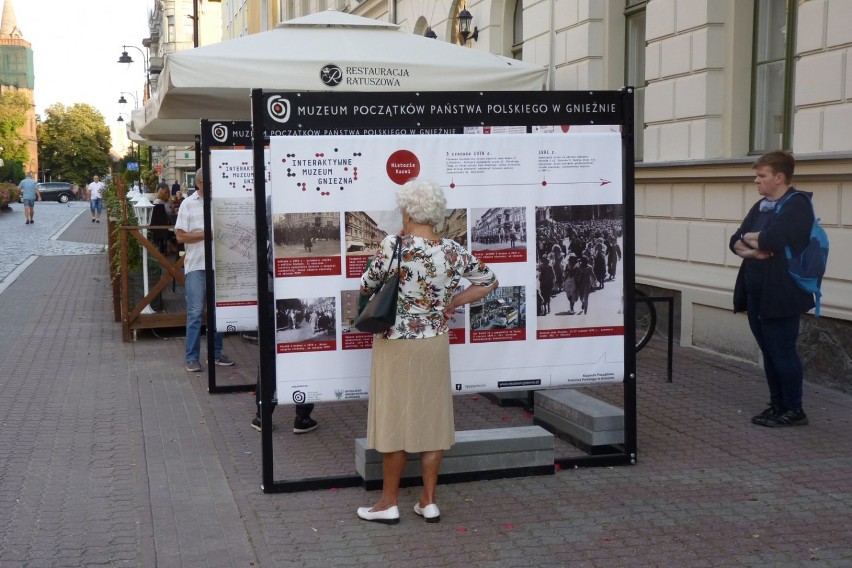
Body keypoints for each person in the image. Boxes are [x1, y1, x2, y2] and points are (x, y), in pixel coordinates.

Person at [356, 179, 497, 525]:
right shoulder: (453, 250)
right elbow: (489, 281)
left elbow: (366, 286)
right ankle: (428, 501)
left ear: (407, 211)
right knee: (432, 421)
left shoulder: (393, 245)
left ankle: (389, 503)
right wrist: (453, 301)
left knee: (394, 420)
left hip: (396, 343)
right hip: (434, 342)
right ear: (434, 213)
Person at [730, 150, 814, 427]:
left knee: (782, 350)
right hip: (756, 290)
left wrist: (751, 239)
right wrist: (754, 250)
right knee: (768, 350)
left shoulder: (797, 204)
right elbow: (735, 239)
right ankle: (778, 405)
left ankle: (794, 409)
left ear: (779, 177)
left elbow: (774, 239)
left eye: (761, 175)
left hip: (782, 292)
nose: (756, 180)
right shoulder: (762, 205)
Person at [250, 194, 317, 434]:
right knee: (303, 352)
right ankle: (303, 416)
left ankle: (262, 414)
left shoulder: (271, 199)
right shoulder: (312, 199)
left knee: (269, 353)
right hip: (298, 283)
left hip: (272, 284)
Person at [174, 167, 235, 373]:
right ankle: (191, 357)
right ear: (198, 183)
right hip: (197, 265)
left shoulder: (220, 203)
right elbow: (180, 236)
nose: (211, 186)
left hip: (219, 264)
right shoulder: (187, 204)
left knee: (218, 312)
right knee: (195, 312)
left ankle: (216, 354)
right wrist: (206, 234)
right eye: (208, 183)